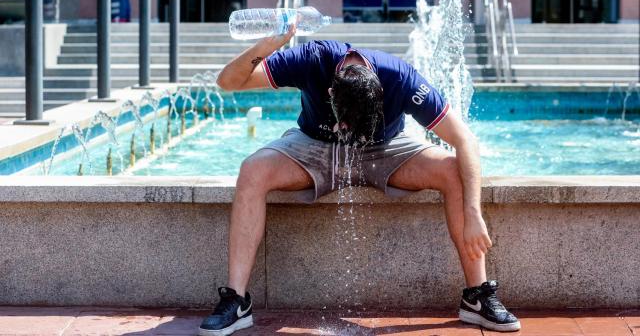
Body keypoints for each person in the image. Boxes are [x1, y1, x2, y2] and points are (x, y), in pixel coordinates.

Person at [198, 26, 521, 336]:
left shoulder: (402, 79)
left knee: (453, 169)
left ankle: (477, 296)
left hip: (386, 148)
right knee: (253, 169)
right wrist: (267, 46)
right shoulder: (310, 60)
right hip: (316, 145)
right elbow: (229, 81)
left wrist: (473, 212)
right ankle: (236, 301)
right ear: (330, 93)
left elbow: (465, 140)